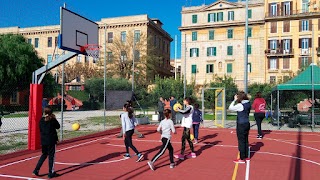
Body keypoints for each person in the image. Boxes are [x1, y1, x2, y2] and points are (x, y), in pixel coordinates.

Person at [33, 107, 60, 178]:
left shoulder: (41, 120)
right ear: (51, 113)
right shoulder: (52, 120)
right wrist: (54, 118)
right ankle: (51, 172)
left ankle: (36, 170)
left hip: (44, 141)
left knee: (44, 154)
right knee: (51, 157)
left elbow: (41, 129)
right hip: (51, 141)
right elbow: (58, 126)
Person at [228, 91, 251, 164]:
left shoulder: (240, 105)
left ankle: (241, 158)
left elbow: (230, 108)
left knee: (241, 141)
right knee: (246, 139)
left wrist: (234, 100)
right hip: (247, 123)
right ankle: (246, 156)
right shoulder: (248, 103)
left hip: (241, 124)